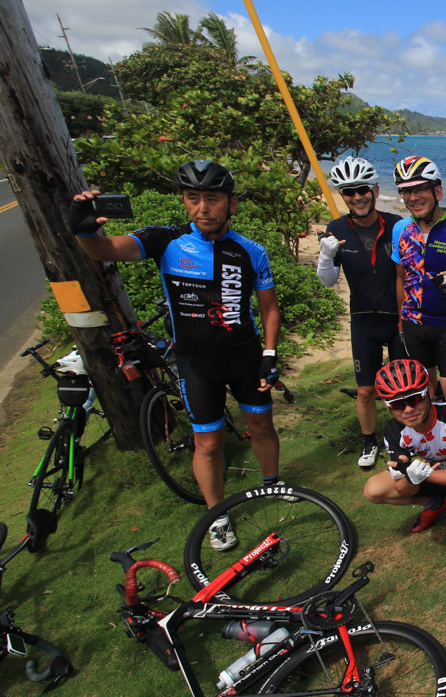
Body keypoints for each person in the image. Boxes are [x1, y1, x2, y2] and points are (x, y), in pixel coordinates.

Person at [69, 160, 291, 550]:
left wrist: (270, 353)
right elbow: (104, 249)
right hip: (195, 362)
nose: (203, 208)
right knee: (208, 443)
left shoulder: (251, 251)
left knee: (262, 427)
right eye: (193, 198)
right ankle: (217, 516)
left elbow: (270, 308)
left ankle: (273, 484)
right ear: (185, 202)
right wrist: (85, 226)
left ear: (231, 204)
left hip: (245, 355)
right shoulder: (164, 241)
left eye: (212, 199)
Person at [316, 156, 404, 468]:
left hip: (398, 321)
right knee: (366, 391)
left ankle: (403, 439)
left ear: (376, 190)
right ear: (342, 195)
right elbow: (328, 282)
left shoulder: (397, 226)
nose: (357, 197)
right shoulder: (336, 228)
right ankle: (369, 443)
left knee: (402, 388)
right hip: (364, 321)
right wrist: (326, 257)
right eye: (349, 192)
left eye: (363, 189)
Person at [391, 156, 446, 403]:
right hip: (412, 323)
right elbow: (401, 279)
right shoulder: (400, 230)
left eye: (420, 189)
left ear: (437, 190)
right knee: (422, 392)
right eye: (406, 191)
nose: (413, 197)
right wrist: (400, 317)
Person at [363, 358, 446, 533]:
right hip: (434, 473)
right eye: (397, 404)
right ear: (387, 406)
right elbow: (402, 488)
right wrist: (410, 477)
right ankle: (436, 503)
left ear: (429, 391)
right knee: (373, 489)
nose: (408, 409)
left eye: (414, 399)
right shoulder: (394, 430)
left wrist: (422, 475)